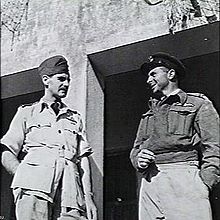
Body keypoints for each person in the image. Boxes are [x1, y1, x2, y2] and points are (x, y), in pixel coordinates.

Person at [1, 55, 97, 220]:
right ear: (46, 80)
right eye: (61, 79)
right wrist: (23, 175)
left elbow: (83, 160)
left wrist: (88, 196)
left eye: (68, 80)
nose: (66, 84)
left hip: (71, 194)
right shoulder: (26, 112)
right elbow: (7, 150)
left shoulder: (75, 118)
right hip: (34, 189)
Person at [130, 52, 220, 220]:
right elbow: (136, 148)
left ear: (171, 74)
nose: (148, 80)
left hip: (184, 178)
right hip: (150, 181)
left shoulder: (198, 104)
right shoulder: (149, 113)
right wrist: (138, 159)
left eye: (153, 74)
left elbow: (214, 145)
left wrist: (205, 182)